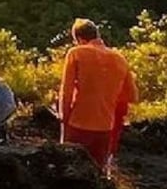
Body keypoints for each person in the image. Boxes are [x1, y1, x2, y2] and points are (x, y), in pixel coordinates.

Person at [58, 18, 139, 170]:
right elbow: (132, 96)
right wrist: (107, 96)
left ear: (80, 39)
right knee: (97, 176)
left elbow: (66, 92)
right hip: (105, 128)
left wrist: (64, 122)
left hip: (78, 124)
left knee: (70, 171)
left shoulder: (76, 53)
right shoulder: (119, 58)